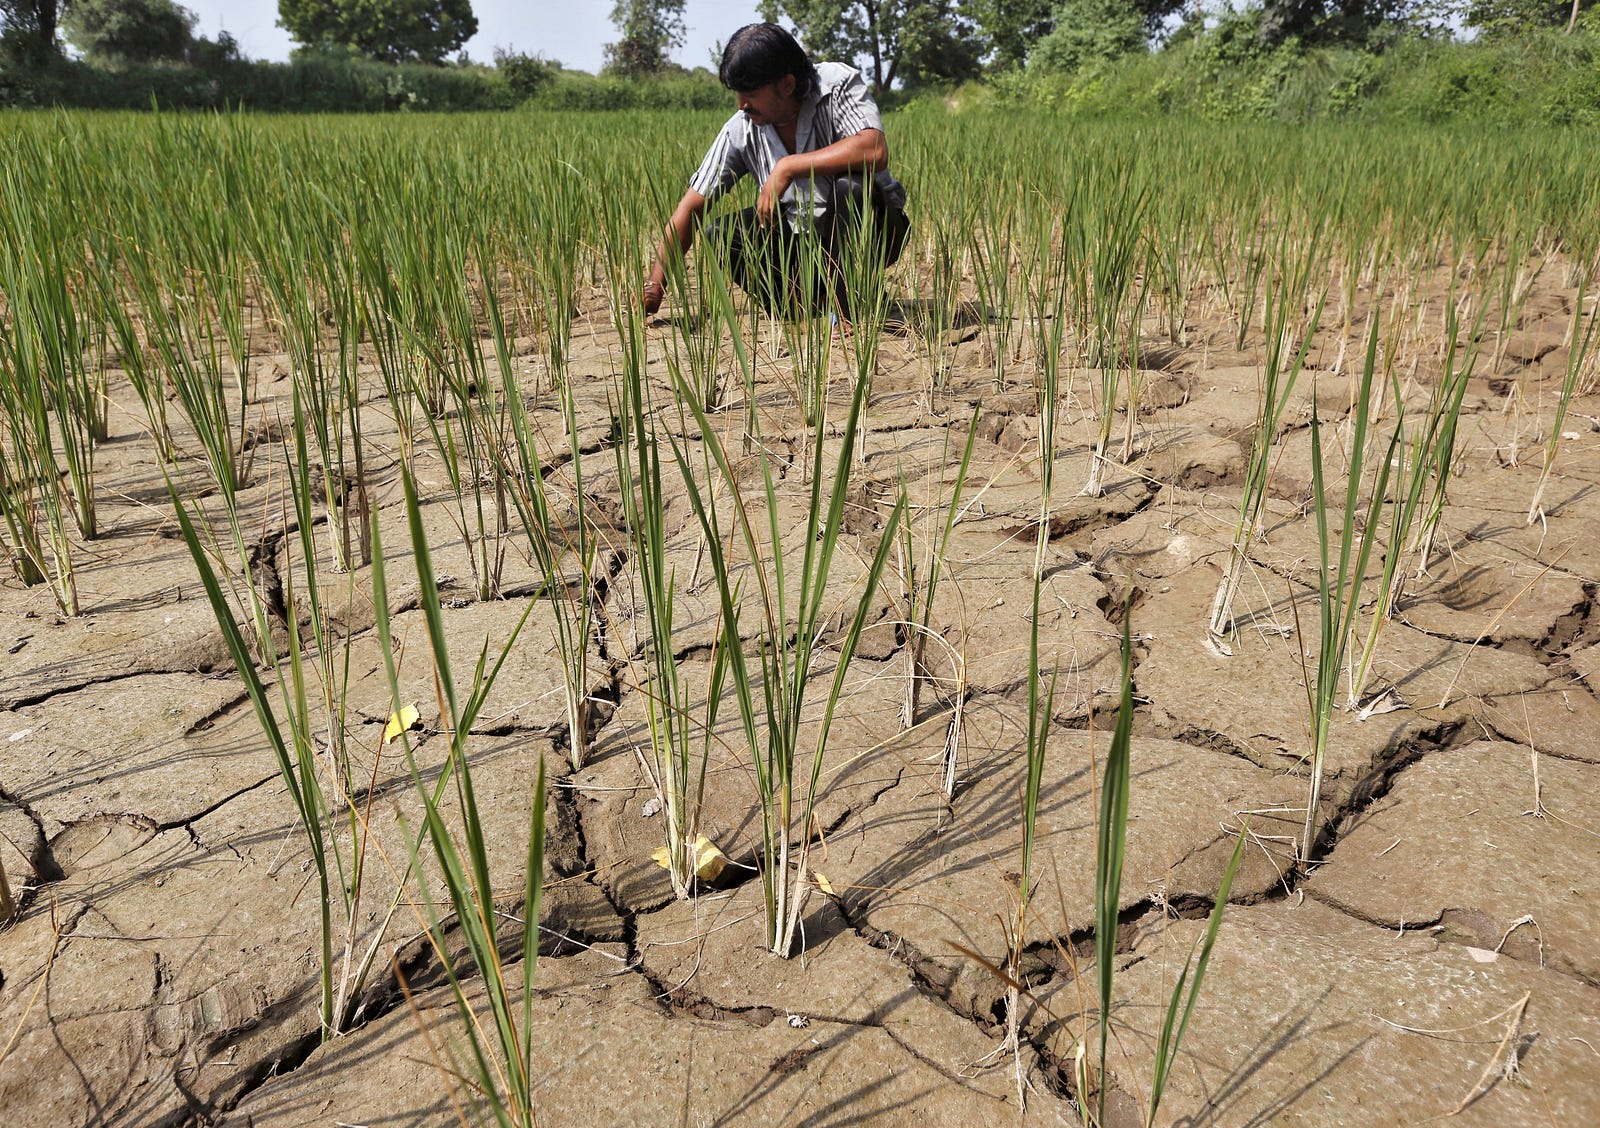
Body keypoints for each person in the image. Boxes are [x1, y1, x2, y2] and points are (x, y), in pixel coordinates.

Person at [641, 23, 909, 322]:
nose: (742, 104)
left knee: (852, 186)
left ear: (787, 85)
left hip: (873, 229)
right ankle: (809, 305)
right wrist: (654, 286)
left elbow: (874, 149)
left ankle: (852, 308)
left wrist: (790, 166)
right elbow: (692, 207)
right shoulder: (741, 128)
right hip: (804, 240)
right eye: (738, 93)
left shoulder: (836, 84)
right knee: (722, 233)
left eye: (751, 93)